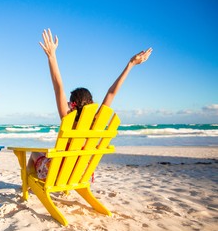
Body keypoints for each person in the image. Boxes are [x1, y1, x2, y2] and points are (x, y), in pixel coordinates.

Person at [29, 28, 153, 179]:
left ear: (72, 104)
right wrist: (131, 64)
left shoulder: (68, 119)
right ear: (91, 103)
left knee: (35, 153)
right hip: (82, 174)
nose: (66, 102)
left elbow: (58, 87)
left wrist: (51, 56)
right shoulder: (96, 122)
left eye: (69, 101)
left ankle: (30, 188)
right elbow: (111, 93)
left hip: (58, 174)